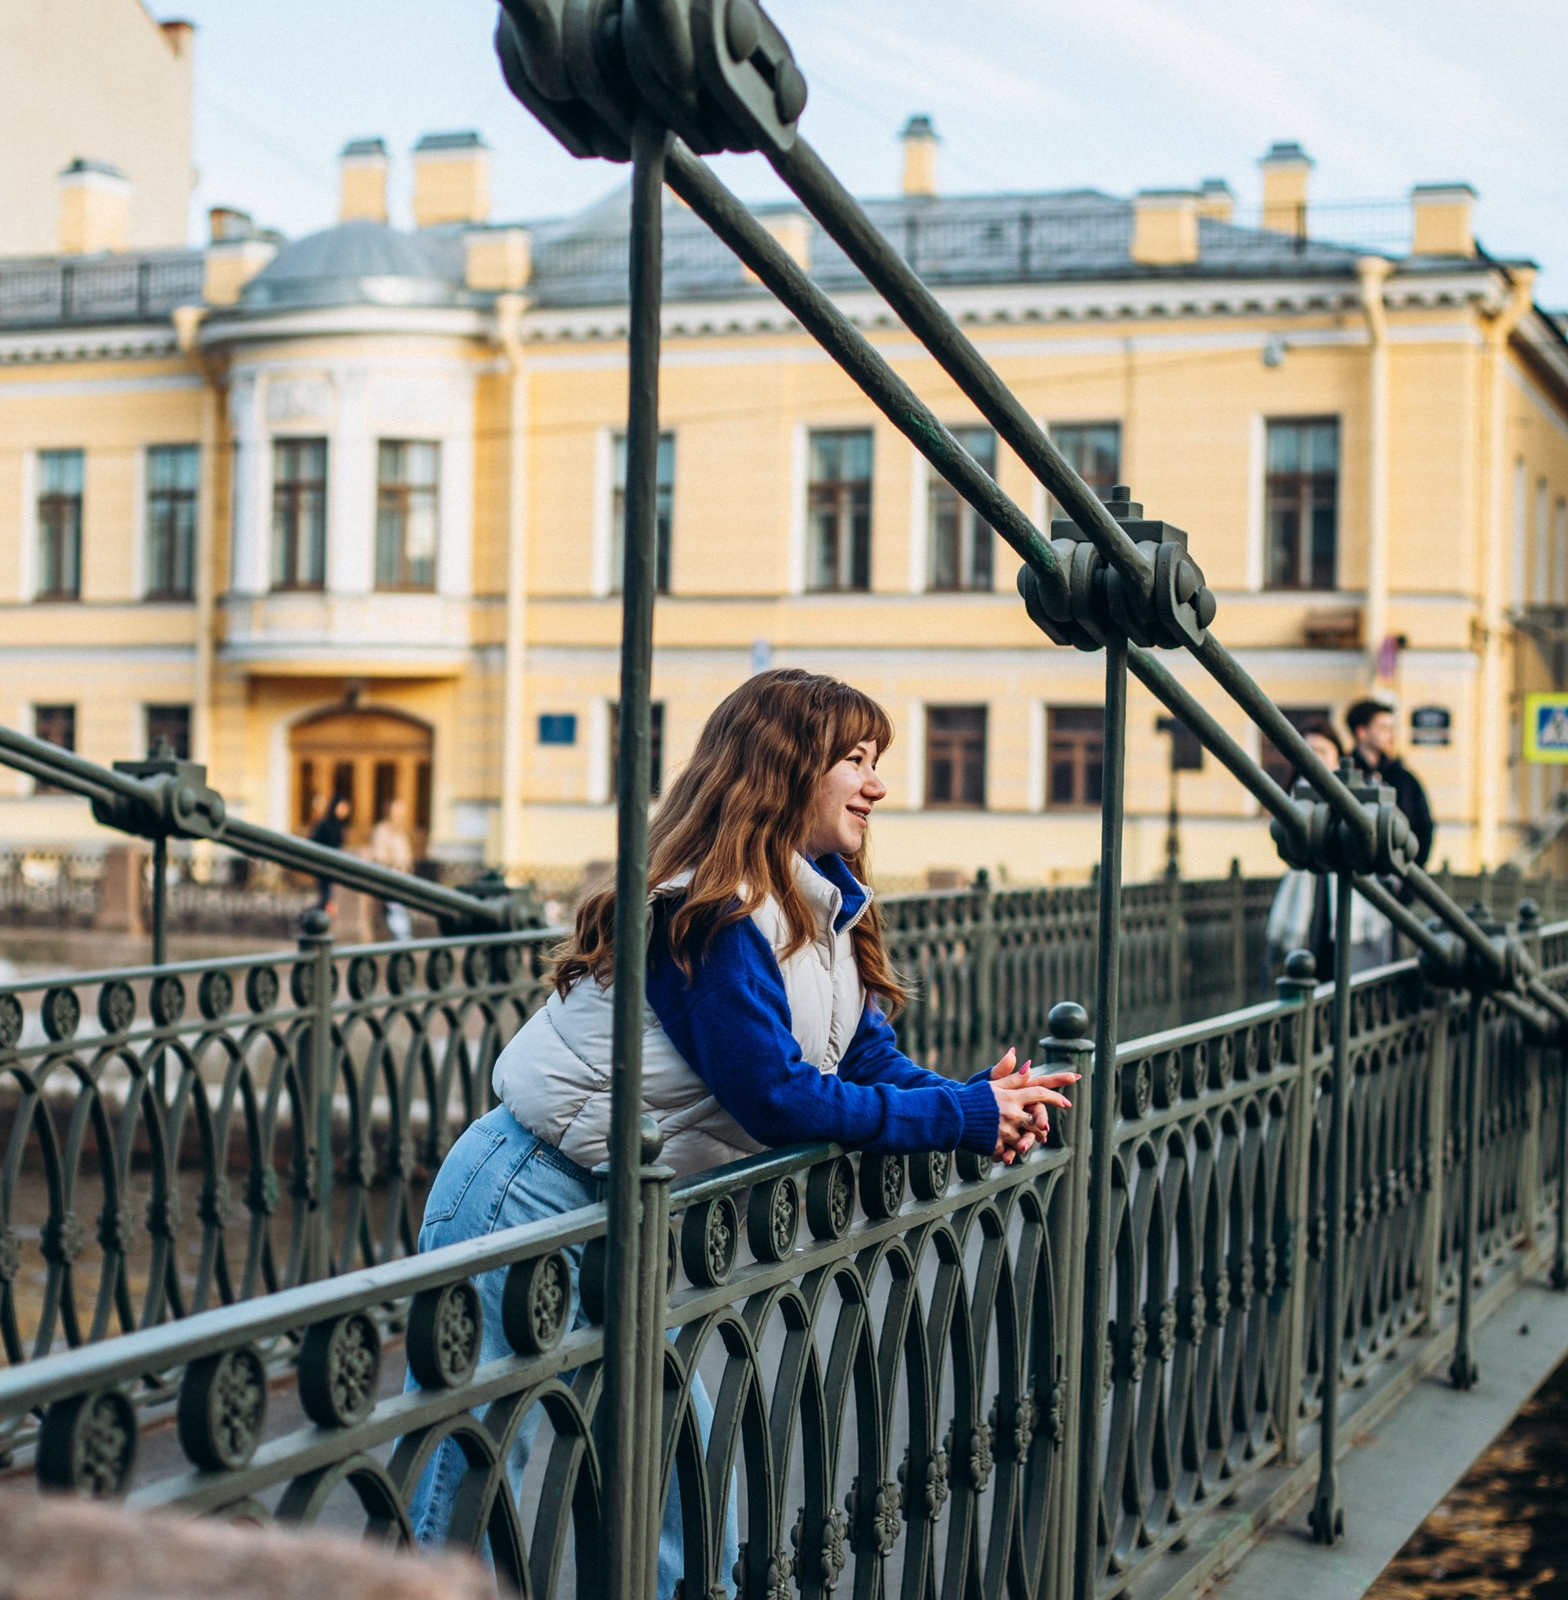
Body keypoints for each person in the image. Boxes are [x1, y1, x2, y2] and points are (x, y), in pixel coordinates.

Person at [407, 668, 1077, 1586]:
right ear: (785, 768)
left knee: (677, 1473)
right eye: (854, 760)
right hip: (528, 1194)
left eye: (875, 761)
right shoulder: (709, 910)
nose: (877, 785)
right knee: (467, 1477)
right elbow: (775, 1094)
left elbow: (864, 1061)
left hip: (640, 1221)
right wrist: (960, 1115)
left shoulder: (819, 908)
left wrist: (979, 1104)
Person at [1264, 727, 1394, 981]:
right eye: (1309, 750)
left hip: (1342, 881)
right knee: (1310, 951)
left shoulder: (1355, 790)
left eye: (1322, 751)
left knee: (1341, 956)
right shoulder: (1296, 793)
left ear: (1337, 756)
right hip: (1309, 883)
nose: (1315, 757)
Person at [1347, 699, 1434, 870]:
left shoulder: (1403, 779)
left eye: (1391, 728)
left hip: (1397, 881)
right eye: (1383, 728)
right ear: (1362, 732)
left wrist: (1409, 876)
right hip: (1355, 878)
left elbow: (1423, 827)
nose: (1391, 735)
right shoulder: (1344, 776)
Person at [367, 795, 417, 940]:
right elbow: (379, 857)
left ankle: (401, 939)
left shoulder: (400, 831)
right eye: (398, 811)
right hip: (392, 878)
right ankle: (402, 940)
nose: (400, 814)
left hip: (403, 878)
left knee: (400, 910)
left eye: (402, 811)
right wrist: (394, 866)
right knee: (396, 910)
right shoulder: (382, 830)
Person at [306, 793, 352, 912]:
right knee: (326, 898)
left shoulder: (339, 826)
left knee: (329, 898)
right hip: (324, 866)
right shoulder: (325, 824)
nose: (344, 811)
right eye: (342, 807)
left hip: (333, 867)